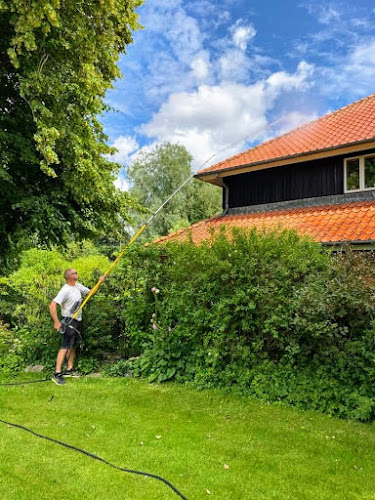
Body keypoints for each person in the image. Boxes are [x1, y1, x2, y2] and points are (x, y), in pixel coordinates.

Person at [49, 268, 105, 385]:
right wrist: (56, 322)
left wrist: (99, 282)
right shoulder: (65, 290)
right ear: (70, 277)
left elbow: (91, 292)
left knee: (73, 346)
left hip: (77, 320)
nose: (77, 274)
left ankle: (69, 369)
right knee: (65, 346)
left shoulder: (77, 286)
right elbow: (52, 305)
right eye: (75, 273)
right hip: (68, 320)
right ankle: (57, 374)